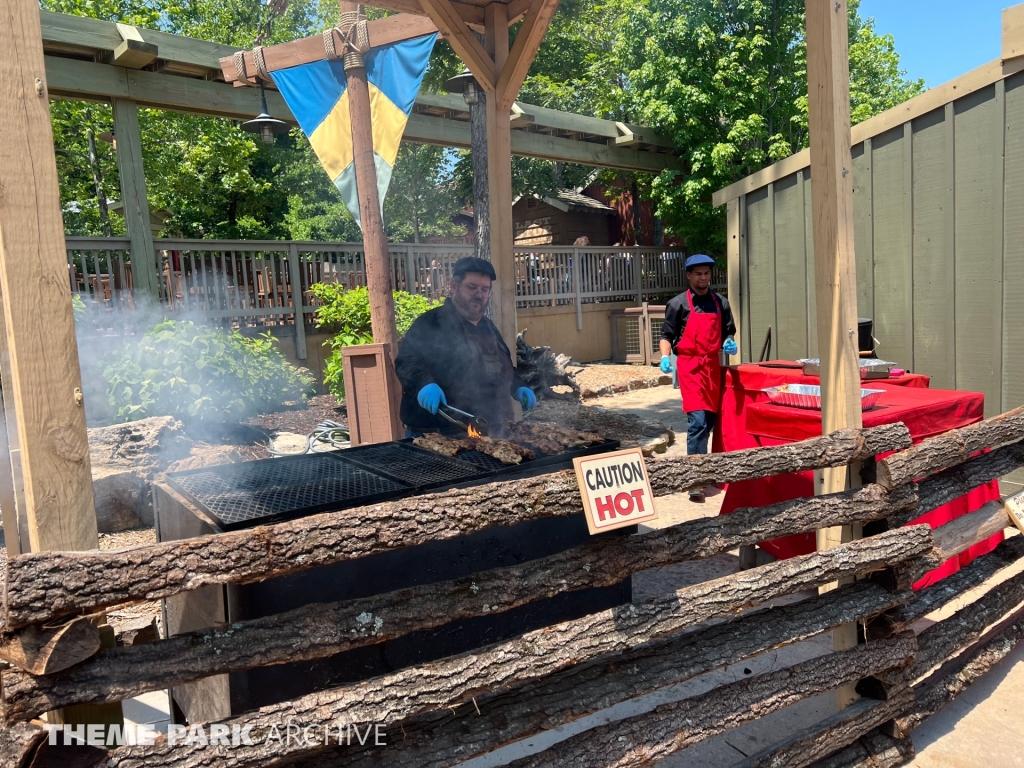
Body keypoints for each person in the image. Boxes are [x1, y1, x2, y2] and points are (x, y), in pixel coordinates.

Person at [396, 256, 537, 437]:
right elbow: (406, 362)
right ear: (454, 286)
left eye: (484, 290)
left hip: (490, 432)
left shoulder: (490, 328)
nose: (479, 294)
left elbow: (503, 368)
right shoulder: (430, 323)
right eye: (472, 287)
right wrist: (424, 384)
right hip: (436, 432)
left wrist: (518, 386)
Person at [659, 254, 737, 502]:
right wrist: (664, 356)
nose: (703, 278)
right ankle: (694, 480)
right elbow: (666, 336)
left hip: (713, 367)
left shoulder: (720, 303)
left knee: (711, 422)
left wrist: (729, 343)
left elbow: (728, 333)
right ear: (689, 276)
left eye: (707, 273)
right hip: (691, 367)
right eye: (698, 274)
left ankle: (707, 472)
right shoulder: (677, 304)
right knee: (698, 421)